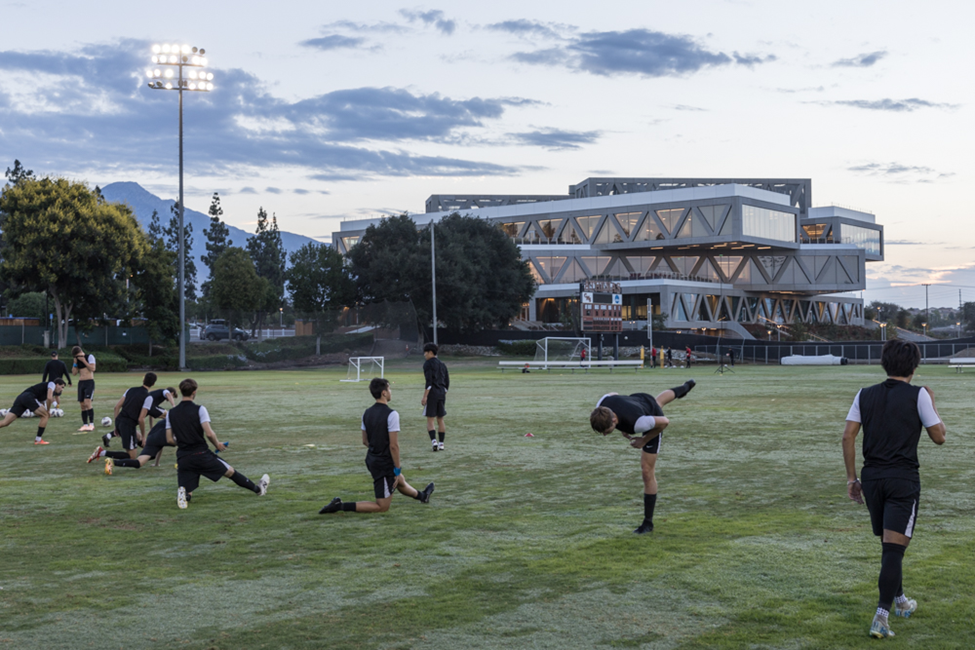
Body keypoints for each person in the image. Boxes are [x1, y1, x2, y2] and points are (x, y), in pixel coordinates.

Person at [842, 339, 946, 639]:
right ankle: (881, 616)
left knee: (891, 547)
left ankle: (901, 601)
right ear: (915, 366)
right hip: (903, 480)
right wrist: (932, 401)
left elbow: (848, 437)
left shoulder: (864, 394)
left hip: (872, 478)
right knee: (893, 548)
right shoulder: (919, 395)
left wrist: (852, 479)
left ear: (883, 363)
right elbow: (939, 437)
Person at [589, 379, 696, 534]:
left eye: (607, 430)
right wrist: (623, 424)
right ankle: (685, 387)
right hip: (637, 401)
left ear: (613, 419)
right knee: (658, 400)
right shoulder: (602, 404)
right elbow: (614, 394)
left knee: (647, 472)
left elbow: (665, 422)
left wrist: (643, 440)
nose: (605, 435)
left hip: (649, 414)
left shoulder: (639, 423)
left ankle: (648, 523)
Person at [319, 378, 434, 514]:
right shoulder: (392, 414)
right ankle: (340, 506)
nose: (391, 392)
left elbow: (364, 441)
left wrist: (377, 451)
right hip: (383, 464)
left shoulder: (366, 413)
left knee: (399, 480)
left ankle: (423, 496)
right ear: (384, 393)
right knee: (382, 506)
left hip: (371, 459)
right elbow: (393, 446)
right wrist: (396, 469)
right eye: (389, 389)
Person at [166, 378, 269, 509]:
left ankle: (184, 495)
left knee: (187, 486)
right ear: (194, 392)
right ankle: (259, 490)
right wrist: (217, 445)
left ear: (181, 391)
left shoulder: (171, 413)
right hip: (201, 454)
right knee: (231, 472)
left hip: (183, 456)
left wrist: (182, 442)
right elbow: (209, 433)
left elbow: (169, 439)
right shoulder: (200, 409)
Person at [102, 383, 176, 448]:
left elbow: (152, 415)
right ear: (172, 393)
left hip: (144, 408)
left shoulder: (156, 397)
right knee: (170, 416)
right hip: (148, 407)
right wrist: (173, 405)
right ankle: (174, 434)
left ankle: (109, 435)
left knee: (128, 426)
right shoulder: (164, 391)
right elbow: (168, 394)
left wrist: (151, 427)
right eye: (173, 396)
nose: (171, 398)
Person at [88, 418, 175, 473]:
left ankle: (112, 461)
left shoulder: (170, 415)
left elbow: (159, 443)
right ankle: (105, 454)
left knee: (139, 461)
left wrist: (156, 463)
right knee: (131, 456)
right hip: (129, 427)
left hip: (152, 437)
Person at [0, 378, 65, 444]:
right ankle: (38, 440)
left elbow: (41, 403)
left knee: (5, 422)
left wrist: (44, 411)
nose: (62, 389)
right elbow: (49, 398)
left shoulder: (44, 391)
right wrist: (47, 411)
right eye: (62, 387)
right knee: (45, 416)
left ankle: (38, 439)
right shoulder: (52, 384)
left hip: (21, 397)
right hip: (29, 397)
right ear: (57, 385)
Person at [420, 342, 450, 452]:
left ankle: (434, 442)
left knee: (430, 419)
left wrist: (425, 397)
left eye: (426, 352)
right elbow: (447, 382)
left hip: (432, 394)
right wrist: (443, 392)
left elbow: (429, 382)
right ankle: (442, 444)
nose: (424, 355)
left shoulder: (427, 364)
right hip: (442, 393)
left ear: (431, 353)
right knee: (440, 419)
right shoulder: (442, 364)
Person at [71, 345, 97, 432]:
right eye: (76, 356)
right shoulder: (77, 360)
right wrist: (75, 363)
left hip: (89, 382)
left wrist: (84, 361)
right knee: (82, 405)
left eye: (79, 355)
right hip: (81, 383)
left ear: (81, 352)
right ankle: (85, 424)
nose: (78, 357)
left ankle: (91, 424)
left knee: (87, 402)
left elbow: (93, 368)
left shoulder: (90, 357)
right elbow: (74, 373)